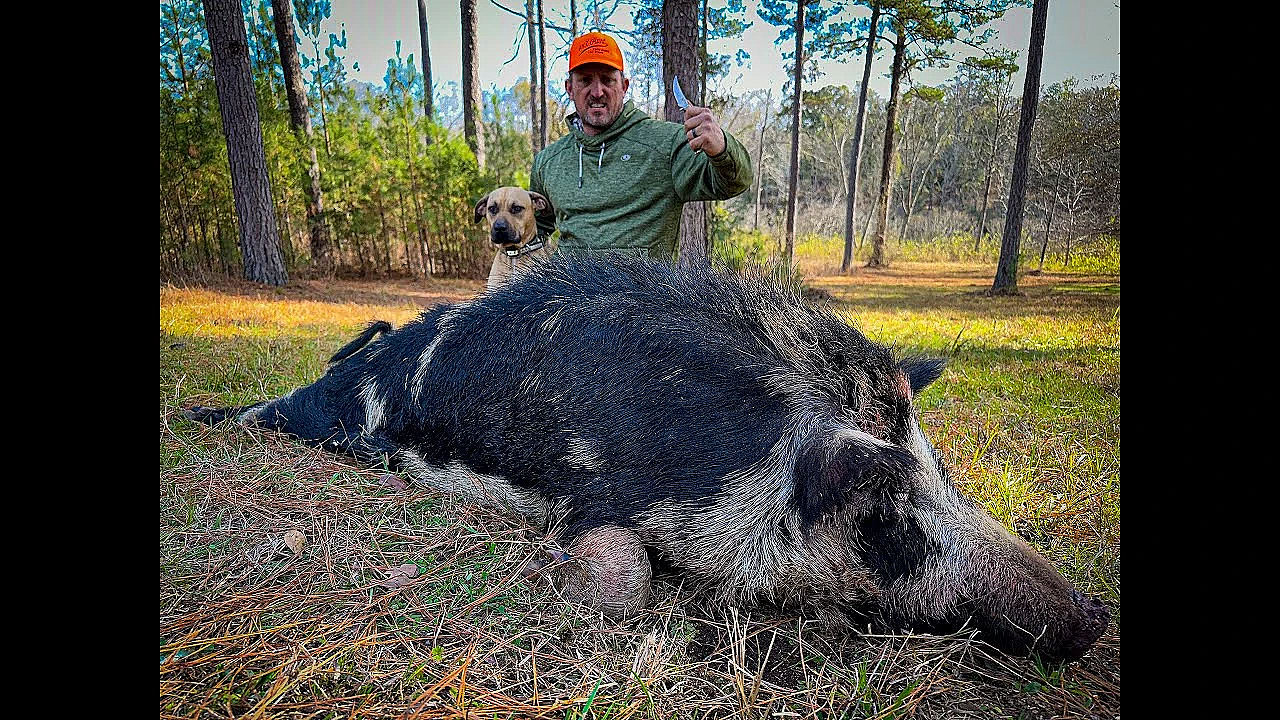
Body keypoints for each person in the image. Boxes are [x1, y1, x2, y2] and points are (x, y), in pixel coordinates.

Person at [530, 31, 753, 259]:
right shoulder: (548, 162)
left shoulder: (666, 143)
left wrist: (723, 149)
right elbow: (533, 232)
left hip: (641, 293)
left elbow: (735, 182)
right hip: (566, 292)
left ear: (624, 86)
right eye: (586, 81)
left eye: (607, 80)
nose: (597, 92)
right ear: (569, 88)